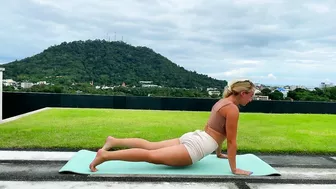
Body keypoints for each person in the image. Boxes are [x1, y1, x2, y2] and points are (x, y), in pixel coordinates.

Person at [89, 79, 256, 176]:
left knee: (150, 146)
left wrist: (219, 153)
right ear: (243, 93)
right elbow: (232, 141)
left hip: (196, 136)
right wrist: (234, 169)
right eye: (251, 95)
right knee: (150, 155)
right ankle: (105, 155)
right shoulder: (232, 109)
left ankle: (113, 141)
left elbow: (215, 128)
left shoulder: (223, 101)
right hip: (198, 146)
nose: (252, 99)